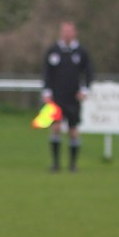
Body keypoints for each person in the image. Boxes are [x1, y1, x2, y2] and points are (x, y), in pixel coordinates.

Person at [42, 21, 93, 172]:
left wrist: (85, 90)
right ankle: (56, 163)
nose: (67, 34)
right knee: (55, 128)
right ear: (60, 32)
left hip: (73, 98)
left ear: (75, 33)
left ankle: (73, 164)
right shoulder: (53, 51)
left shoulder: (81, 52)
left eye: (69, 31)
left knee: (73, 131)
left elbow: (89, 73)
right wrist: (47, 92)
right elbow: (47, 73)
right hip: (56, 98)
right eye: (64, 31)